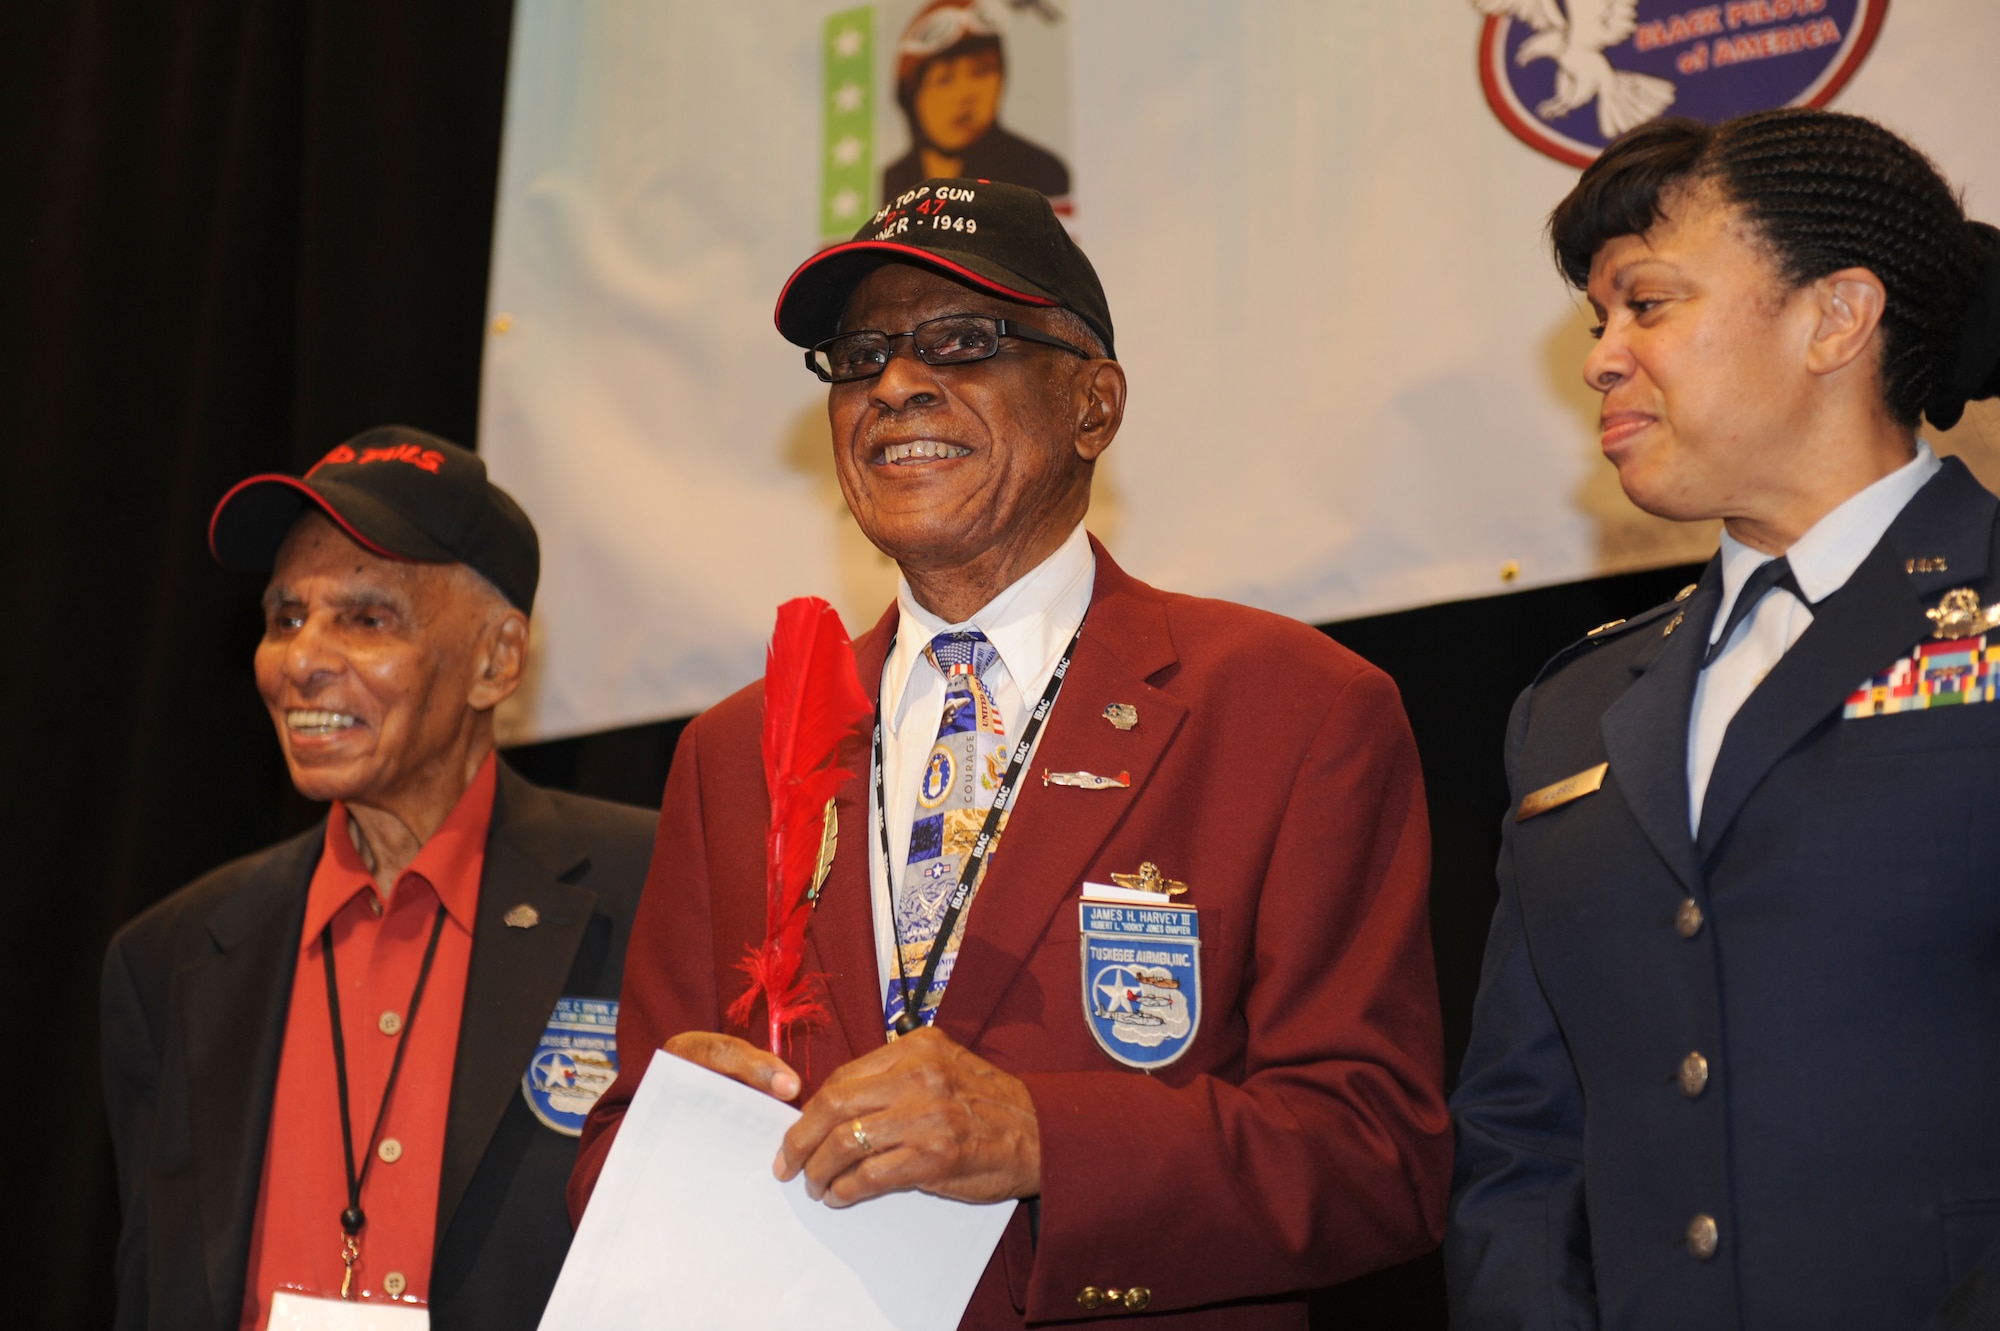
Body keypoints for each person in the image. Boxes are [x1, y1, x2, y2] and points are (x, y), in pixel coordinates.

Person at [570, 179, 1451, 1328]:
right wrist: (674, 1134)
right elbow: (608, 1160)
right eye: (859, 355)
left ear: (1093, 405)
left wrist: (1044, 1137)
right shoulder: (733, 748)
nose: (893, 383)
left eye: (961, 341)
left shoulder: (1292, 709)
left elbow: (1379, 1152)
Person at [1447, 109, 2000, 1329]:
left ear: (1833, 317)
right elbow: (1516, 1141)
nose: (1600, 355)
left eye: (1646, 303)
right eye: (1600, 320)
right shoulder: (1574, 705)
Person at [100, 427, 655, 1331]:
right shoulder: (169, 958)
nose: (302, 658)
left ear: (496, 660)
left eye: (366, 617)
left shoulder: (653, 892)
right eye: (285, 616)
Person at [880, 0, 1070, 205]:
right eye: (944, 79)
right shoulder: (890, 182)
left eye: (982, 71)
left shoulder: (1041, 171)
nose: (965, 95)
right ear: (910, 95)